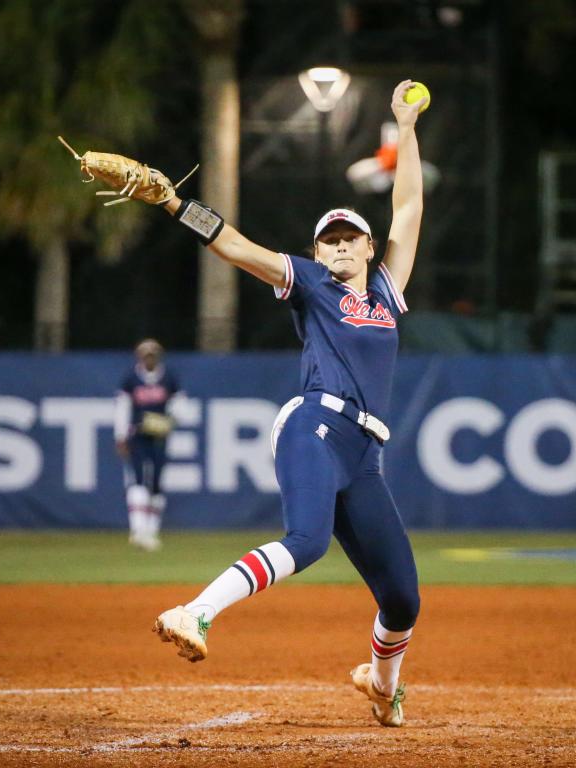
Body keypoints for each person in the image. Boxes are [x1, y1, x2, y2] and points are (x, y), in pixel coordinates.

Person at [152, 80, 427, 727]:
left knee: (404, 600)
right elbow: (237, 249)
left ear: (367, 246)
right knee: (306, 541)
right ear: (315, 252)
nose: (337, 245)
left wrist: (406, 128)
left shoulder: (386, 290)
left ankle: (382, 685)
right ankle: (193, 611)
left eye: (348, 237)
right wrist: (176, 206)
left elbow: (409, 207)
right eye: (327, 239)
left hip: (364, 453)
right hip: (314, 424)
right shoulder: (308, 284)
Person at [113, 338, 182, 551]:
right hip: (138, 436)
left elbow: (179, 405)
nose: (149, 359)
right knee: (138, 479)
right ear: (140, 356)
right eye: (146, 355)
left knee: (157, 483)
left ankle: (151, 531)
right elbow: (122, 407)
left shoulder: (168, 378)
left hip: (159, 437)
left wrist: (169, 421)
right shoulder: (131, 379)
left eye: (152, 355)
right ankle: (138, 530)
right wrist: (121, 435)